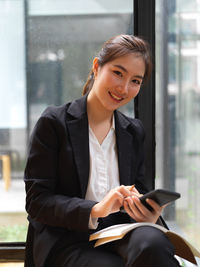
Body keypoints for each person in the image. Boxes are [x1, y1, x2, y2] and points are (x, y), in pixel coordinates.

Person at [24, 34, 181, 267]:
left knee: (155, 245)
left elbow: (139, 189)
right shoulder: (54, 122)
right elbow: (37, 201)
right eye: (118, 73)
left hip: (121, 231)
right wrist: (96, 209)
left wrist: (148, 214)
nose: (124, 88)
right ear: (97, 67)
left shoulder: (133, 131)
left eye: (135, 81)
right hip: (68, 238)